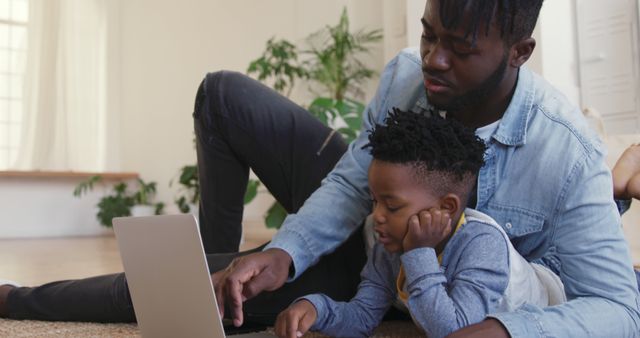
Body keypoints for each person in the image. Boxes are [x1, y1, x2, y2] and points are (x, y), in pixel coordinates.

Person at [1, 0, 639, 336]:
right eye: (428, 34)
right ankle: (220, 264)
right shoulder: (407, 80)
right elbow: (350, 181)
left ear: (519, 52)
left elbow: (619, 309)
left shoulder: (567, 156)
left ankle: (19, 301)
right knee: (223, 96)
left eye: (459, 49)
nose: (433, 61)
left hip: (389, 284)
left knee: (181, 296)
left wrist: (504, 329)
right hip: (374, 234)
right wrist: (284, 250)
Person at [274, 109, 565, 338]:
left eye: (393, 205)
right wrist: (316, 308)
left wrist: (418, 254)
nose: (378, 216)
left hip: (553, 298)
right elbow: (363, 318)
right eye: (375, 201)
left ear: (447, 207)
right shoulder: (389, 245)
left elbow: (455, 332)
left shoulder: (481, 245)